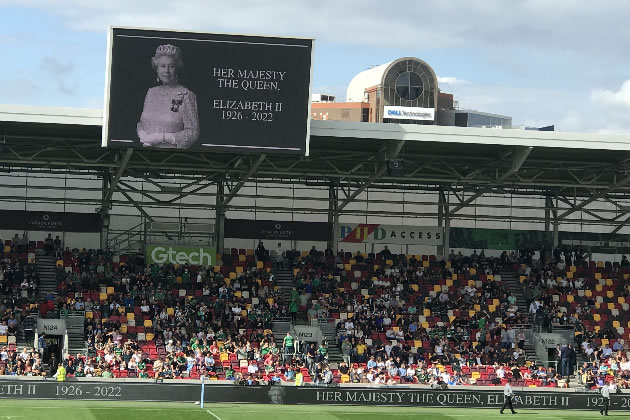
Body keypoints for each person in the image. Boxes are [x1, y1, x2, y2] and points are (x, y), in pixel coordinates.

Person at [136, 44, 199, 149]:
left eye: (171, 66)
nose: (167, 71)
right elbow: (141, 123)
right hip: (145, 155)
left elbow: (193, 133)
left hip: (170, 158)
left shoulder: (185, 95)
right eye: (163, 66)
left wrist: (163, 137)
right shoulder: (151, 92)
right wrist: (141, 133)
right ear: (157, 68)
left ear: (177, 68)